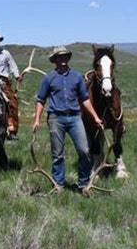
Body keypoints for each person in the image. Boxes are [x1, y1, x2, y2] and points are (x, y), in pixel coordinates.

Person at [31, 46, 104, 193]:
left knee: (84, 150)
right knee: (57, 154)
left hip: (75, 117)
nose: (62, 59)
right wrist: (37, 119)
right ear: (55, 59)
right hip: (55, 118)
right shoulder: (48, 78)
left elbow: (84, 99)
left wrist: (95, 117)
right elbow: (41, 99)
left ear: (68, 58)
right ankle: (58, 185)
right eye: (59, 56)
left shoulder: (77, 77)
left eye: (65, 56)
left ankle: (83, 184)